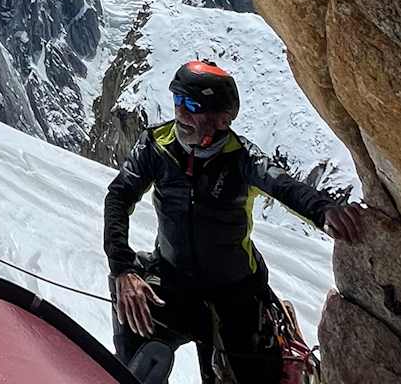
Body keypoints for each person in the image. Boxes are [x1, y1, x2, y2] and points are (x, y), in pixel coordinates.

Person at [103, 60, 365, 383]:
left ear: (220, 120)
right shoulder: (157, 146)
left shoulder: (241, 158)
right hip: (174, 284)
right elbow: (118, 196)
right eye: (178, 101)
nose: (180, 113)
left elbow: (283, 186)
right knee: (129, 308)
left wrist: (324, 210)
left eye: (192, 105)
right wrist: (123, 270)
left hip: (236, 298)